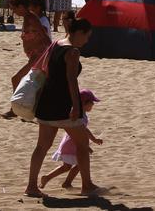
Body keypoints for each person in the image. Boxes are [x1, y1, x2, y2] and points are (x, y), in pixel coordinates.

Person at [24, 18, 100, 198]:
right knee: (82, 144)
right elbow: (71, 81)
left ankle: (31, 186)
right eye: (86, 36)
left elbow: (47, 71)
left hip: (46, 102)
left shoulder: (57, 44)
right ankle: (87, 185)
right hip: (62, 105)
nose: (87, 41)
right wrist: (76, 106)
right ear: (79, 32)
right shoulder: (72, 51)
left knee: (41, 146)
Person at [39, 89, 103, 190]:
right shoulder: (79, 116)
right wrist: (93, 140)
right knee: (80, 164)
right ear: (84, 103)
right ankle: (65, 182)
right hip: (71, 144)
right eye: (91, 103)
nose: (93, 105)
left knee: (67, 166)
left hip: (71, 143)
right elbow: (84, 130)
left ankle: (48, 178)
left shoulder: (82, 114)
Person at [2, 0, 53, 119]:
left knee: (16, 79)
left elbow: (44, 35)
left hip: (39, 56)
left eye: (14, 9)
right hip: (35, 56)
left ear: (21, 6)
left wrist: (49, 53)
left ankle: (15, 110)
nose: (13, 12)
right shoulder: (28, 18)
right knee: (39, 84)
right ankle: (25, 109)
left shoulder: (31, 18)